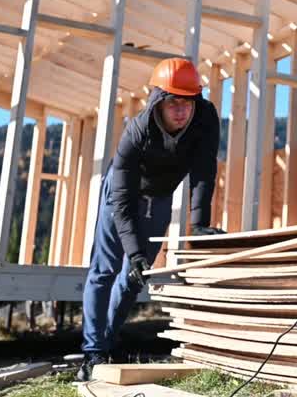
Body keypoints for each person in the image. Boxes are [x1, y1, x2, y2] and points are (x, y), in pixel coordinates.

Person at [77, 57, 222, 379]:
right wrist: (134, 250)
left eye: (188, 102)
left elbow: (203, 171)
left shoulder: (206, 118)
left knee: (134, 277)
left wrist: (199, 224)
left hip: (159, 198)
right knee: (105, 270)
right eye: (173, 102)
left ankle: (108, 343)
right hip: (122, 196)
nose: (182, 111)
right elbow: (122, 203)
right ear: (159, 100)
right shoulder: (136, 132)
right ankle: (92, 351)